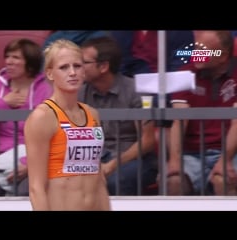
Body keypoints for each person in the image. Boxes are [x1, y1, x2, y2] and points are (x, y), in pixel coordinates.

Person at [24, 39, 111, 210]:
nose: (72, 72)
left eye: (77, 66)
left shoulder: (92, 115)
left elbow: (99, 178)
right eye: (64, 67)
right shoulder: (42, 117)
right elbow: (36, 188)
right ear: (49, 74)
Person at [78, 36, 158, 195]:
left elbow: (147, 141)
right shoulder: (80, 93)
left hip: (133, 159)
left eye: (84, 63)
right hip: (94, 158)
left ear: (103, 67)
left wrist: (113, 164)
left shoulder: (136, 91)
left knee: (115, 181)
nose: (77, 68)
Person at [0, 38, 53, 196]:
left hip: (37, 156)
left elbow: (54, 131)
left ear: (30, 63)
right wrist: (3, 104)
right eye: (7, 57)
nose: (9, 62)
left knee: (26, 192)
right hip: (3, 156)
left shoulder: (46, 89)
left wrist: (30, 164)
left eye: (16, 58)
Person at [166, 30, 237, 195]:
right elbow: (179, 120)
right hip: (193, 153)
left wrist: (224, 160)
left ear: (223, 56)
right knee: (174, 181)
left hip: (232, 152)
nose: (196, 55)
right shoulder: (185, 72)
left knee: (223, 179)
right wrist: (175, 160)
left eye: (203, 51)